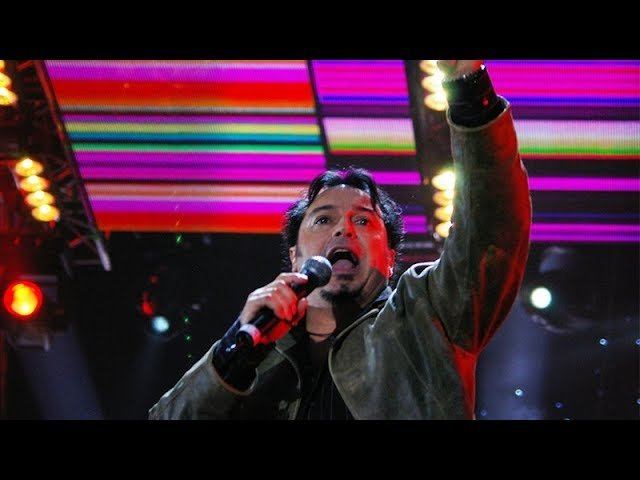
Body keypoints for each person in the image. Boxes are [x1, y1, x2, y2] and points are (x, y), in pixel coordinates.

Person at [148, 60, 532, 420]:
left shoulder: (425, 314)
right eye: (323, 219)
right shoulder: (257, 354)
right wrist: (233, 353)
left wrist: (469, 89)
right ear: (295, 256)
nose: (343, 229)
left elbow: (491, 231)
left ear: (390, 258)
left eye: (363, 220)